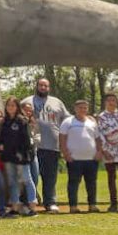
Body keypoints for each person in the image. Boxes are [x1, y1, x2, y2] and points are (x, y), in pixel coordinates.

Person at [21, 78, 68, 213]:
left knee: (50, 176)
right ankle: (28, 201)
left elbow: (66, 119)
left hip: (52, 145)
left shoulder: (57, 102)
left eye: (45, 85)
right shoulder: (26, 101)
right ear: (36, 86)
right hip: (31, 147)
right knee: (30, 177)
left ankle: (50, 202)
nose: (43, 87)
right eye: (41, 85)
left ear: (49, 88)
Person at [0, 97, 38, 216]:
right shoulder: (4, 121)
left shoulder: (22, 121)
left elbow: (26, 140)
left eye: (13, 105)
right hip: (8, 156)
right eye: (9, 105)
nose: (11, 108)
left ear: (17, 107)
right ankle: (15, 206)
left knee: (27, 180)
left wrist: (21, 153)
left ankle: (32, 206)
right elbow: (1, 138)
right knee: (12, 181)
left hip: (21, 156)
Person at [59, 100, 100, 213]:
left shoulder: (92, 123)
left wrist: (99, 152)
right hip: (74, 159)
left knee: (91, 183)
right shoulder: (68, 122)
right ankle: (73, 206)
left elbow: (97, 139)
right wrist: (65, 153)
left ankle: (92, 205)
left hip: (91, 159)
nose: (83, 110)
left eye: (85, 108)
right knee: (73, 183)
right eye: (80, 108)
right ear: (75, 109)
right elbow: (62, 138)